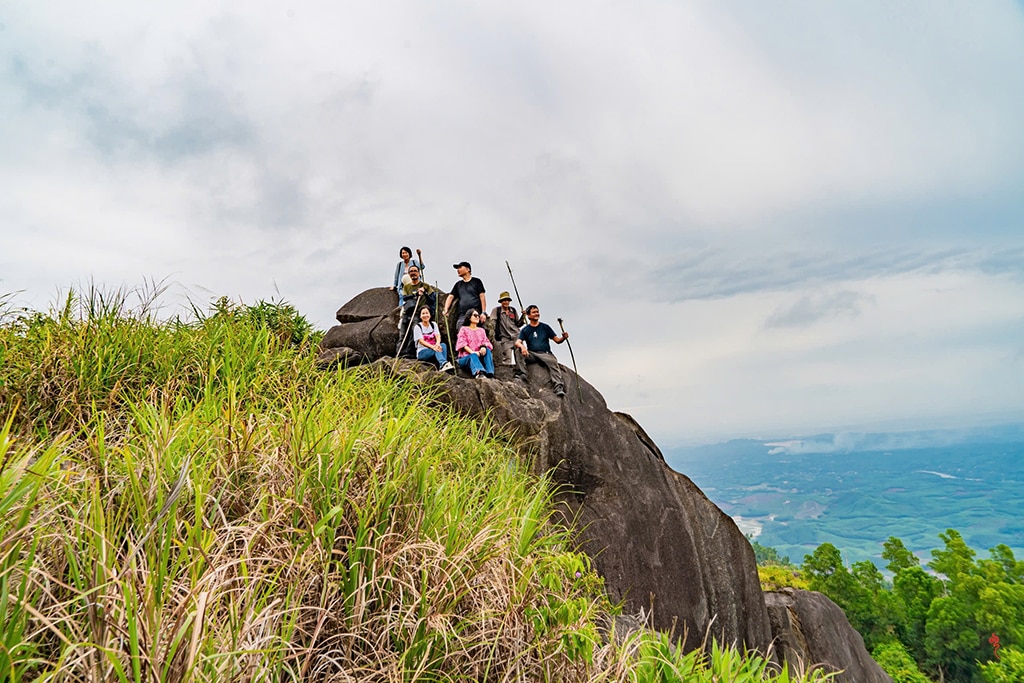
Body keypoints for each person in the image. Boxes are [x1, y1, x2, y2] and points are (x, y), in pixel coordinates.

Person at [514, 305, 568, 397]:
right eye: (534, 312)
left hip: (545, 353)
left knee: (553, 362)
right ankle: (522, 373)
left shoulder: (545, 327)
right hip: (532, 354)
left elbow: (557, 341)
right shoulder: (525, 330)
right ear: (528, 315)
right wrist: (522, 347)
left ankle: (558, 386)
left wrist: (563, 337)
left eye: (537, 312)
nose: (537, 314)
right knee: (517, 351)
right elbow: (517, 342)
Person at [397, 265, 438, 358]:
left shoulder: (425, 285)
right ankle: (399, 353)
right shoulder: (407, 286)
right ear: (409, 274)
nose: (413, 273)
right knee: (402, 334)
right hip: (407, 312)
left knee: (413, 333)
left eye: (415, 271)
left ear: (419, 273)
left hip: (417, 313)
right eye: (411, 271)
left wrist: (425, 293)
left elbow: (432, 299)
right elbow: (404, 297)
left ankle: (409, 353)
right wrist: (415, 294)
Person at [442, 261, 486, 329]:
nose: (458, 270)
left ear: (468, 269)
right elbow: (450, 297)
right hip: (463, 314)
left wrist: (483, 313)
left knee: (475, 332)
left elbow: (482, 296)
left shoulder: (477, 281)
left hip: (475, 313)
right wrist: (446, 309)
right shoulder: (458, 285)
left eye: (460, 267)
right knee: (460, 330)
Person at [413, 305, 454, 372]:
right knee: (436, 349)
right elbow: (421, 341)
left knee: (443, 345)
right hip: (422, 352)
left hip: (434, 348)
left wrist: (437, 344)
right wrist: (433, 347)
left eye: (427, 313)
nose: (425, 315)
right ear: (420, 316)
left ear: (430, 314)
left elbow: (438, 335)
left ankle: (442, 365)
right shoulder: (418, 327)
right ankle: (444, 363)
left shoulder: (433, 324)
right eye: (423, 313)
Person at [488, 291, 524, 367]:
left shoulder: (513, 310)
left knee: (520, 358)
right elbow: (492, 323)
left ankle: (521, 374)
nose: (506, 302)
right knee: (507, 358)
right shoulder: (496, 310)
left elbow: (518, 324)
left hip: (516, 336)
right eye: (504, 300)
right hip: (505, 337)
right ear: (501, 301)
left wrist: (523, 316)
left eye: (507, 300)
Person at [455, 309, 494, 378]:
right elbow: (462, 344)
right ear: (469, 317)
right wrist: (473, 352)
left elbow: (487, 342)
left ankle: (489, 372)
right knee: (473, 355)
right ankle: (479, 373)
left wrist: (483, 347)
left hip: (479, 356)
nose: (477, 317)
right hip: (466, 358)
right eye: (475, 315)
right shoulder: (463, 329)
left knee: (487, 350)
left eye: (478, 316)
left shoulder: (481, 330)